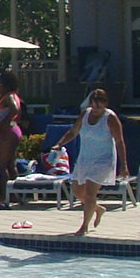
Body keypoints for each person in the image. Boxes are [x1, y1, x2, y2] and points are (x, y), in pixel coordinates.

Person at [50, 88, 126, 236]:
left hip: (103, 159)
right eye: (94, 103)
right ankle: (98, 209)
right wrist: (59, 144)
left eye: (100, 104)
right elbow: (73, 132)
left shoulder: (110, 118)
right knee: (77, 191)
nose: (96, 107)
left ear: (105, 104)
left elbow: (119, 141)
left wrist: (124, 165)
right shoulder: (85, 115)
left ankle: (84, 227)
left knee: (91, 191)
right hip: (85, 158)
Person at [0, 71, 25, 207]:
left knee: (1, 166)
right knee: (11, 166)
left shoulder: (9, 96)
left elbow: (14, 110)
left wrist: (3, 124)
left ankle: (4, 197)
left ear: (6, 85)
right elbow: (19, 113)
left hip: (7, 133)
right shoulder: (14, 96)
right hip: (14, 130)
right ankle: (15, 195)